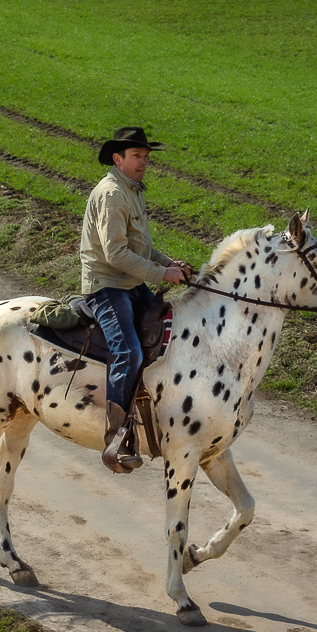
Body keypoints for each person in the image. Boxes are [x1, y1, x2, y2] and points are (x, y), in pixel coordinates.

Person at [80, 127, 193, 474]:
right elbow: (115, 254)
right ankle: (116, 438)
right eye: (137, 156)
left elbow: (139, 246)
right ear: (118, 159)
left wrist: (167, 263)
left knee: (171, 333)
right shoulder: (113, 194)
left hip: (130, 282)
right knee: (128, 350)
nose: (144, 162)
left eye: (146, 156)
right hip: (108, 285)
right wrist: (162, 275)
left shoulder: (133, 191)